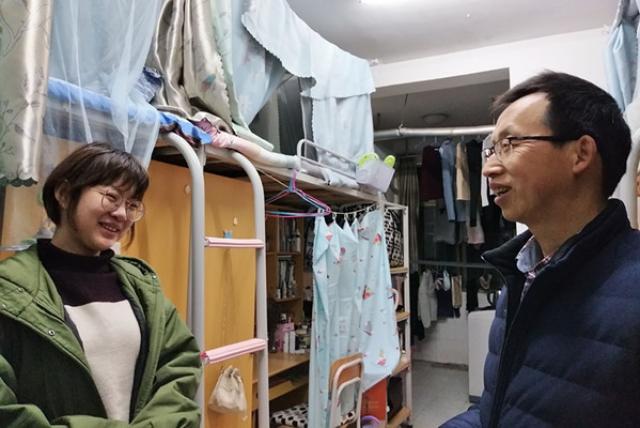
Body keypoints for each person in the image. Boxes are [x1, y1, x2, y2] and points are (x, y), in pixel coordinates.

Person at [442, 71, 640, 427]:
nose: (488, 168)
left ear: (581, 153)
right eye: (491, 149)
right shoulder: (520, 276)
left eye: (510, 143)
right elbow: (495, 411)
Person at [0, 143, 202, 427]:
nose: (122, 214)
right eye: (111, 197)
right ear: (64, 194)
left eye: (132, 205)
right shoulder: (10, 290)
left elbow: (180, 364)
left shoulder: (142, 286)